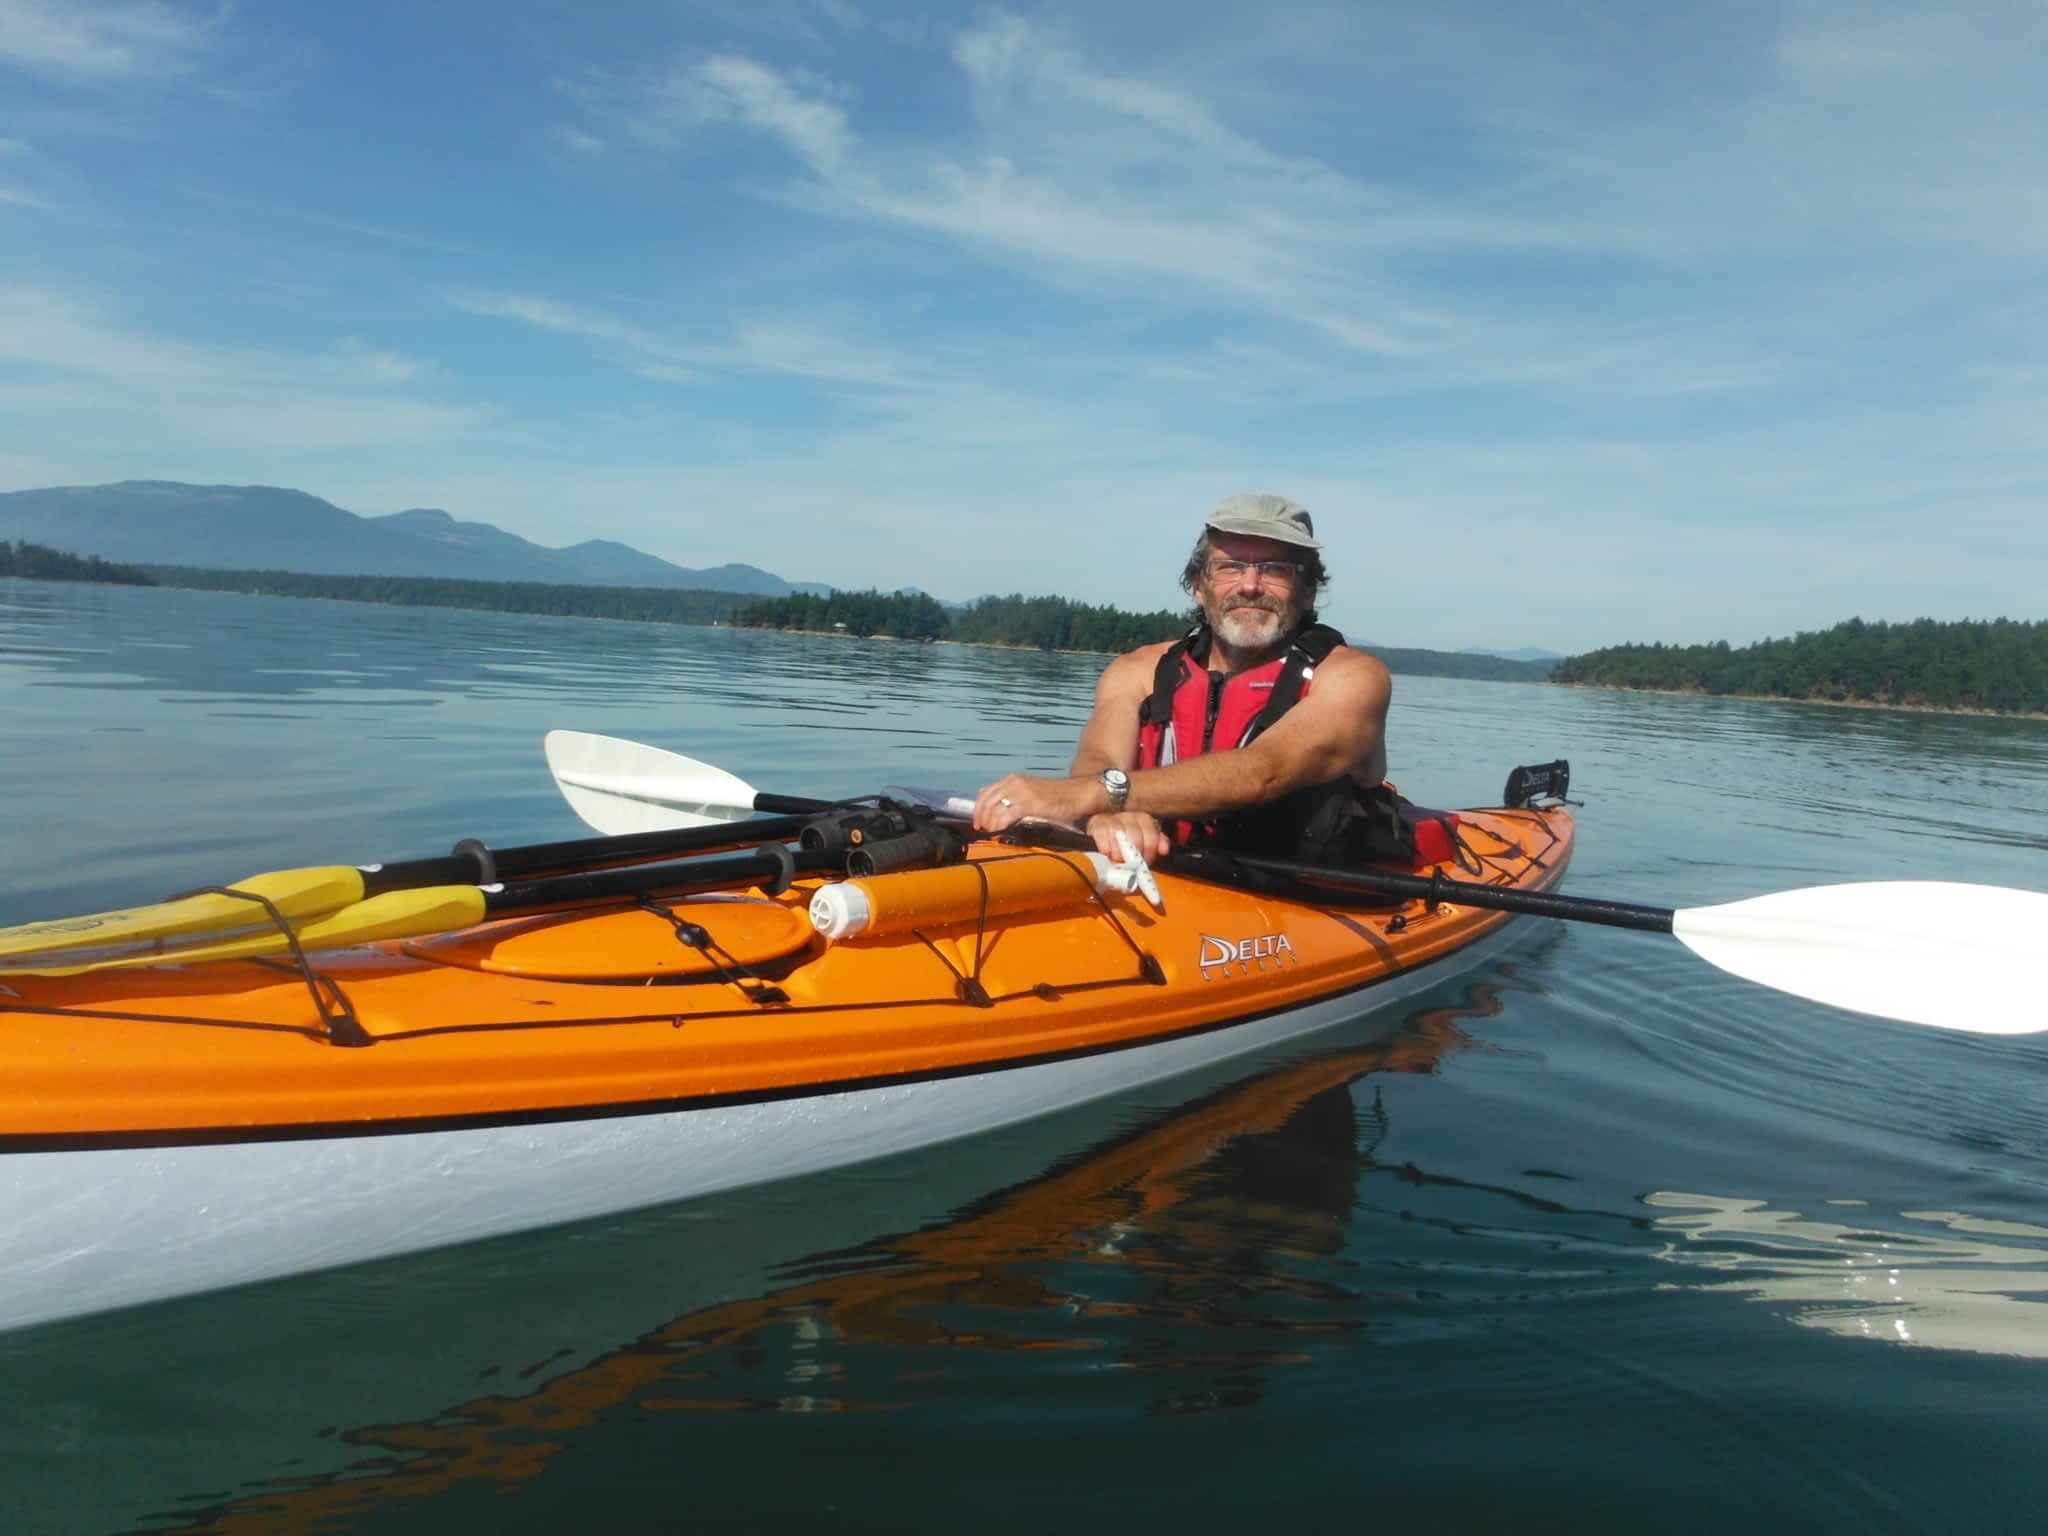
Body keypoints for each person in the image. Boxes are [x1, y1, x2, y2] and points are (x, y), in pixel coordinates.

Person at [973, 494, 1399, 865]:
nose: (1250, 585)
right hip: (1175, 881)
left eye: (1275, 569)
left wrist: (1092, 796)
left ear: (1308, 590)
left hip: (1302, 898)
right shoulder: (1138, 670)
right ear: (1198, 585)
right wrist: (1105, 814)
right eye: (1229, 567)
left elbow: (1264, 771)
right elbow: (1100, 754)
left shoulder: (1352, 678)